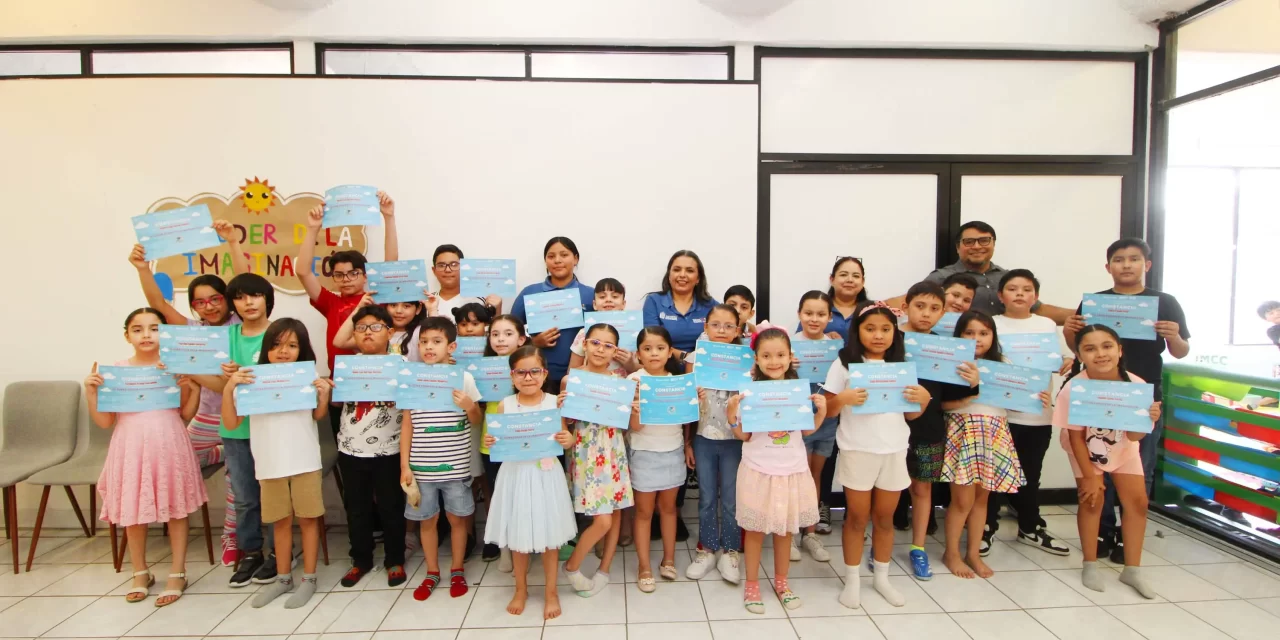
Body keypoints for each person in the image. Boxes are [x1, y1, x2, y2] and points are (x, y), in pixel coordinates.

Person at [1065, 238, 1189, 562]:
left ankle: (1125, 533)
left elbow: (1180, 350)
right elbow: (1076, 345)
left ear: (1146, 265)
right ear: (1108, 267)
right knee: (1096, 462)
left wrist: (1173, 335)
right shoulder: (1094, 302)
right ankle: (1102, 530)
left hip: (1142, 394)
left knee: (1139, 466)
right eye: (1119, 260)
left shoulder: (1165, 301)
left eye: (1134, 259)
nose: (1126, 265)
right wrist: (1069, 329)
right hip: (1095, 394)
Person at [129, 229, 246, 566]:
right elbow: (158, 305)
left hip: (238, 418)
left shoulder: (239, 325)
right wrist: (141, 268)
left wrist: (233, 243)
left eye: (215, 299)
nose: (208, 306)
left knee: (235, 483)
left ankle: (231, 536)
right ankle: (216, 454)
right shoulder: (191, 331)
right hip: (205, 421)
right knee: (173, 463)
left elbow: (243, 280)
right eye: (200, 302)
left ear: (228, 298)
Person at [86, 308, 208, 607]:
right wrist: (91, 391)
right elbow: (105, 422)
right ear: (127, 335)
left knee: (176, 509)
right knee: (133, 510)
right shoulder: (116, 371)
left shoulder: (175, 367)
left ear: (164, 334)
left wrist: (191, 388)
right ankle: (140, 572)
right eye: (138, 329)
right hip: (130, 446)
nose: (146, 335)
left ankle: (178, 572)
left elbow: (185, 414)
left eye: (154, 328)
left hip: (169, 444)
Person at [823, 301, 931, 609]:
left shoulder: (902, 366)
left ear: (895, 333)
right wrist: (841, 398)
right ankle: (852, 580)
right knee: (856, 518)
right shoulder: (844, 363)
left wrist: (922, 401)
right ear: (857, 331)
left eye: (886, 329)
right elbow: (828, 412)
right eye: (870, 329)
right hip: (857, 450)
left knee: (885, 518)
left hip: (894, 450)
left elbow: (911, 416)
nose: (878, 335)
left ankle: (881, 578)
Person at [222, 319, 332, 609]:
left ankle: (309, 578)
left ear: (302, 350)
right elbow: (232, 422)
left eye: (292, 345)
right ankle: (283, 578)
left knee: (308, 520)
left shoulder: (306, 377)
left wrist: (324, 394)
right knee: (279, 523)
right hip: (269, 464)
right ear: (267, 348)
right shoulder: (249, 380)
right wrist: (228, 387)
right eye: (277, 345)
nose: (284, 351)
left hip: (305, 460)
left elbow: (318, 416)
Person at [726, 327, 825, 614]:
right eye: (766, 355)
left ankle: (782, 583)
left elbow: (806, 431)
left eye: (780, 355)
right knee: (755, 531)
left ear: (790, 357)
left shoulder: (797, 391)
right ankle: (752, 584)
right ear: (755, 359)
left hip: (791, 470)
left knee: (785, 532)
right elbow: (744, 436)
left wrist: (820, 411)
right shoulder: (748, 392)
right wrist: (732, 415)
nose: (774, 361)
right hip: (758, 470)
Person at [1057, 324, 1160, 599]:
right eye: (1090, 349)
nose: (1100, 354)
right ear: (1079, 354)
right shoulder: (1073, 388)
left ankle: (1132, 569)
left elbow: (1135, 435)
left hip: (1124, 447)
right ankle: (1089, 563)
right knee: (1092, 499)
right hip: (1083, 448)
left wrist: (1149, 418)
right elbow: (1076, 437)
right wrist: (1091, 477)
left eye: (1107, 346)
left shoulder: (1136, 386)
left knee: (1137, 503)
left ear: (1119, 350)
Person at [482, 346, 578, 620]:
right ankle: (521, 588)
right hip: (515, 476)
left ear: (544, 373)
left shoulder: (555, 403)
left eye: (534, 371)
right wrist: (491, 441)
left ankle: (551, 591)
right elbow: (497, 441)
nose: (528, 377)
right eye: (521, 372)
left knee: (550, 538)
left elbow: (566, 437)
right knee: (518, 536)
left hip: (546, 477)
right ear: (512, 376)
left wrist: (568, 440)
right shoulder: (505, 404)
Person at [199, 273, 281, 587]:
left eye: (255, 295)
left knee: (274, 492)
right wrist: (225, 379)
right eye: (241, 297)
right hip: (236, 429)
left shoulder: (279, 332)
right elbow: (221, 387)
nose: (248, 302)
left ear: (266, 299)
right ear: (233, 303)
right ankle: (251, 551)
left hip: (273, 428)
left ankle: (278, 550)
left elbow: (292, 377)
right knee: (245, 497)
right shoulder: (225, 337)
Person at [987, 269, 1072, 556]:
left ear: (1035, 296)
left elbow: (1056, 359)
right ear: (1001, 296)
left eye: (1026, 289)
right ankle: (987, 527)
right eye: (1012, 289)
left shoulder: (1047, 324)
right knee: (993, 473)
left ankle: (1029, 527)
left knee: (1030, 473)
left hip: (1037, 413)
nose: (1020, 294)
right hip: (1000, 412)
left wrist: (1068, 360)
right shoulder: (992, 323)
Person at [400, 317, 484, 601]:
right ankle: (432, 571)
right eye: (423, 342)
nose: (428, 347)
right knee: (427, 520)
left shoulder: (463, 378)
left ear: (452, 346)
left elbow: (476, 420)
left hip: (456, 466)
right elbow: (407, 425)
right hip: (422, 469)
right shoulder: (412, 379)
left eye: (436, 342)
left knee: (458, 519)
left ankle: (457, 568)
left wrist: (469, 405)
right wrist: (404, 466)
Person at [940, 310, 1028, 579]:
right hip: (964, 430)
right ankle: (951, 553)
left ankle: (973, 554)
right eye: (969, 332)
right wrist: (970, 393)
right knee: (962, 501)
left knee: (982, 501)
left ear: (993, 336)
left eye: (984, 333)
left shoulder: (1003, 362)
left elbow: (1014, 404)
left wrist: (1034, 396)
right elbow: (940, 404)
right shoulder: (952, 363)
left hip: (994, 432)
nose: (977, 339)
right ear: (959, 335)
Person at [297, 193, 398, 414]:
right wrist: (313, 228)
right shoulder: (330, 302)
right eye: (339, 275)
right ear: (333, 278)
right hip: (339, 383)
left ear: (365, 275)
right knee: (342, 443)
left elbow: (391, 267)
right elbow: (303, 272)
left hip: (377, 380)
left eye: (353, 273)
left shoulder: (376, 299)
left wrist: (389, 217)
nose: (347, 279)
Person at [897, 281, 966, 580]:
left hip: (929, 428)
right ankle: (879, 546)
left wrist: (972, 380)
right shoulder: (890, 340)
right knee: (886, 489)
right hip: (889, 428)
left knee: (922, 488)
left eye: (935, 309)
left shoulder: (944, 348)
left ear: (943, 313)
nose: (926, 314)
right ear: (906, 307)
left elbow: (951, 395)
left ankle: (919, 547)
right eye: (920, 306)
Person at [334, 305, 407, 588]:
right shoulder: (348, 366)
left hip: (389, 449)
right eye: (361, 328)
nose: (367, 333)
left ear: (389, 332)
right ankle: (360, 560)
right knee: (357, 508)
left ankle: (395, 559)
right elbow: (338, 403)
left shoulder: (401, 365)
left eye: (375, 327)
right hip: (351, 448)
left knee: (391, 507)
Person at [561, 323, 634, 597]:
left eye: (608, 345)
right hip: (586, 453)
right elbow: (565, 425)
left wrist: (633, 407)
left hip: (614, 450)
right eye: (595, 343)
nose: (601, 349)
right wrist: (562, 410)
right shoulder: (572, 379)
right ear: (585, 345)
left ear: (615, 350)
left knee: (614, 513)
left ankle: (604, 570)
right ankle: (572, 566)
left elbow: (626, 424)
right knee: (602, 520)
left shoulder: (621, 383)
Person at [887, 221, 1072, 324]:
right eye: (969, 242)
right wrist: (864, 311)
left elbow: (1039, 309)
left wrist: (1085, 316)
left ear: (993, 244)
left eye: (984, 240)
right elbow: (907, 302)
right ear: (958, 248)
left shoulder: (1008, 278)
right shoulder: (942, 278)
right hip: (956, 352)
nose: (977, 247)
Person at [685, 304, 747, 583]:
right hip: (703, 437)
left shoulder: (747, 359)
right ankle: (707, 548)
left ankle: (731, 550)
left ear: (738, 330)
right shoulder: (695, 358)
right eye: (715, 325)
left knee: (732, 499)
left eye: (728, 326)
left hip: (736, 438)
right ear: (705, 327)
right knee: (707, 497)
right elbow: (686, 407)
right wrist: (688, 442)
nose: (721, 331)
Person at [627, 327, 687, 593]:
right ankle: (644, 566)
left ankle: (669, 559)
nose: (654, 353)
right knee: (643, 512)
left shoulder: (677, 381)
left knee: (669, 509)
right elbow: (634, 428)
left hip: (672, 451)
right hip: (643, 453)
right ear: (638, 353)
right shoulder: (632, 381)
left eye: (660, 348)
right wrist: (635, 405)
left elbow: (685, 420)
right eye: (647, 348)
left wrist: (692, 402)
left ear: (669, 351)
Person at [510, 237, 596, 391]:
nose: (557, 260)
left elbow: (604, 333)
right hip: (535, 378)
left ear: (575, 259)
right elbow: (510, 332)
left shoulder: (591, 295)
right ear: (545, 261)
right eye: (551, 256)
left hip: (580, 377)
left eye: (564, 255)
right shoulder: (530, 293)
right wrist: (533, 342)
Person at [478, 314, 529, 568]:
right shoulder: (480, 368)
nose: (500, 339)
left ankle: (523, 543)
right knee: (499, 493)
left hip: (523, 442)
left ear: (521, 339)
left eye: (508, 334)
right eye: (495, 334)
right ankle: (504, 545)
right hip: (492, 441)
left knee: (521, 495)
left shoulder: (529, 367)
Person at [791, 291, 837, 558]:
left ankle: (809, 532)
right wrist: (788, 364)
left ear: (830, 317)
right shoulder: (789, 344)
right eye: (808, 313)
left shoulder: (834, 346)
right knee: (798, 473)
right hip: (798, 419)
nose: (814, 319)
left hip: (826, 418)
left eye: (821, 314)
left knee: (814, 475)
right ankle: (792, 533)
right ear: (799, 315)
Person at [642, 250, 719, 359]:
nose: (682, 275)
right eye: (677, 270)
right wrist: (686, 357)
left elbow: (728, 325)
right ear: (669, 275)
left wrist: (749, 327)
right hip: (664, 367)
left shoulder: (710, 305)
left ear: (698, 279)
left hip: (701, 367)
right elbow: (652, 343)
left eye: (689, 270)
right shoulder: (653, 301)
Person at [569, 278, 636, 375]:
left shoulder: (634, 333)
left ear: (623, 304)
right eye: (602, 297)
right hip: (590, 387)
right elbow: (572, 370)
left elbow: (644, 370)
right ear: (594, 304)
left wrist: (630, 364)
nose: (608, 300)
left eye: (615, 296)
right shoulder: (584, 332)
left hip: (622, 386)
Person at [425, 244, 503, 318]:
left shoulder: (480, 301)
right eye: (441, 265)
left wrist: (497, 309)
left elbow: (492, 330)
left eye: (454, 264)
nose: (448, 270)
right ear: (434, 270)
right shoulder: (427, 302)